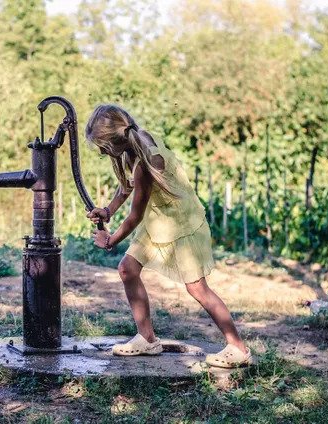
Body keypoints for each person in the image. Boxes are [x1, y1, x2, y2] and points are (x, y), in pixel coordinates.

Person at [85, 104, 252, 368]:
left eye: (102, 146)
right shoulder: (136, 144)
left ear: (114, 141)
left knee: (198, 288)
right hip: (158, 221)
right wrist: (107, 210)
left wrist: (111, 240)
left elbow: (135, 216)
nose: (101, 152)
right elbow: (126, 189)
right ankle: (147, 338)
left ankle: (238, 347)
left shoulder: (144, 162)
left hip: (180, 224)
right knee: (128, 269)